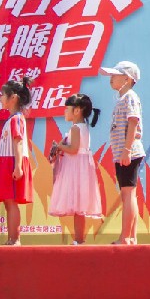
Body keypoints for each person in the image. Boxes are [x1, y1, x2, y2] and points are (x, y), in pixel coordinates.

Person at [49, 93, 104, 245]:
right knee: (79, 206)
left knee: (78, 205)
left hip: (76, 168)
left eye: (67, 109)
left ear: (77, 110)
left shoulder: (75, 128)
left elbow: (73, 149)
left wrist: (59, 146)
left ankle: (79, 239)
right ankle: (79, 239)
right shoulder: (83, 127)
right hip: (81, 167)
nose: (65, 112)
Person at [104, 60, 145, 245]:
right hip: (122, 152)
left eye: (115, 75)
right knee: (128, 194)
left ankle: (126, 237)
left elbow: (133, 121)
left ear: (127, 79)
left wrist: (127, 150)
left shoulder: (130, 97)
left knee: (128, 194)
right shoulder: (123, 98)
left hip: (128, 152)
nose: (111, 78)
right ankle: (131, 237)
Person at [0, 78, 33, 245]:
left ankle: (15, 238)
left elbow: (18, 141)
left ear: (13, 98)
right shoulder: (13, 119)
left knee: (11, 201)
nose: (0, 98)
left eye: (3, 95)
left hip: (12, 162)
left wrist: (18, 166)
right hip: (7, 161)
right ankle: (11, 238)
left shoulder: (17, 119)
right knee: (8, 201)